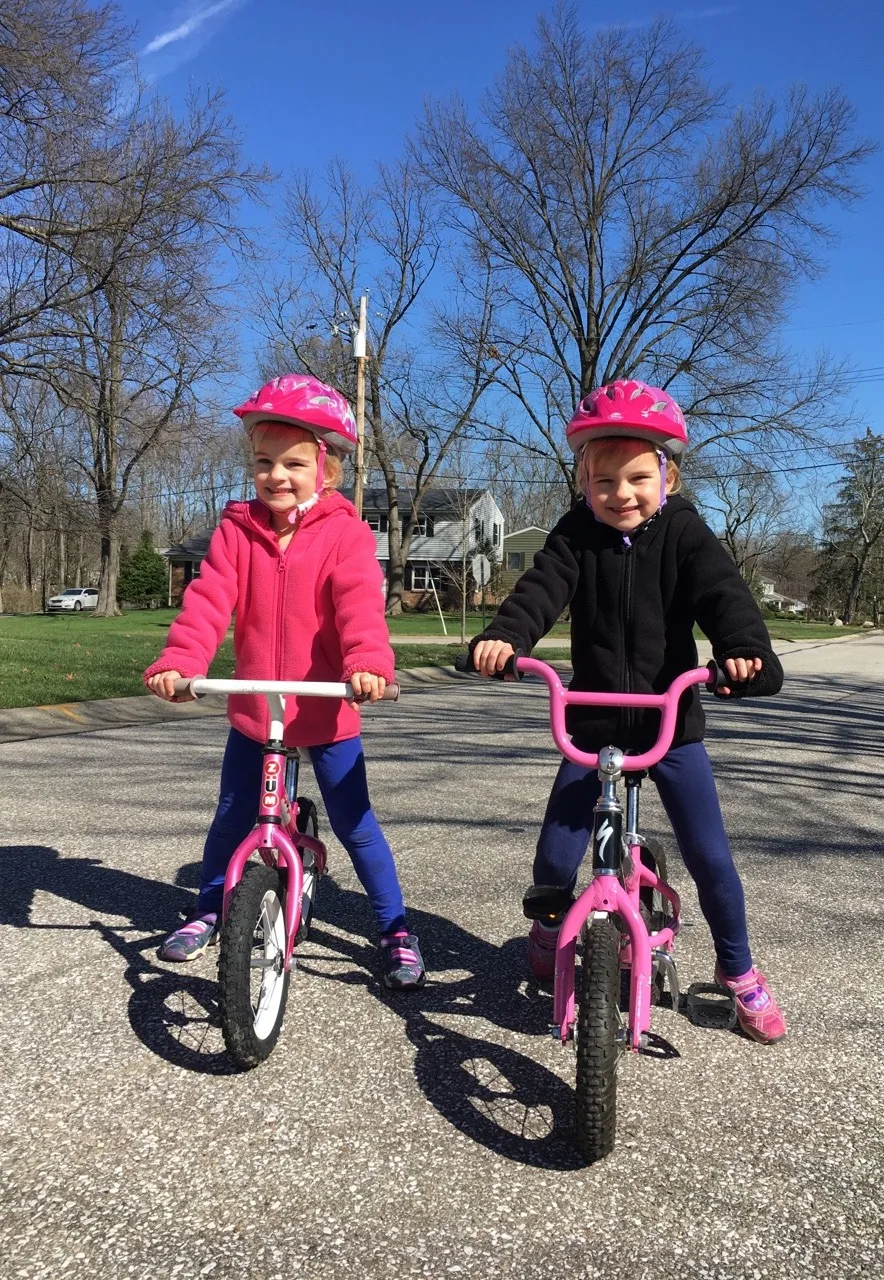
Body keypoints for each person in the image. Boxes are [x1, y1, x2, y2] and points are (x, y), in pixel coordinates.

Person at [470, 379, 786, 1043]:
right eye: (603, 479)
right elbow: (539, 590)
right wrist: (507, 637)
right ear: (584, 480)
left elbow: (723, 596)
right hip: (591, 723)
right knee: (555, 858)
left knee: (710, 858)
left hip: (669, 725)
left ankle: (739, 970)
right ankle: (549, 925)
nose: (622, 493)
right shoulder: (575, 536)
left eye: (638, 477)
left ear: (666, 474)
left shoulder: (685, 534)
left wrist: (742, 651)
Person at [145, 374, 424, 990]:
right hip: (255, 708)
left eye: (294, 463)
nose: (276, 475)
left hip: (326, 710)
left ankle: (395, 928)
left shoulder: (344, 531)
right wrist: (181, 662)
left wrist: (368, 665)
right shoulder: (237, 530)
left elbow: (357, 605)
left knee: (355, 822)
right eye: (263, 462)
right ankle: (210, 907)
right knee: (231, 813)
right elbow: (208, 602)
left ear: (326, 468)